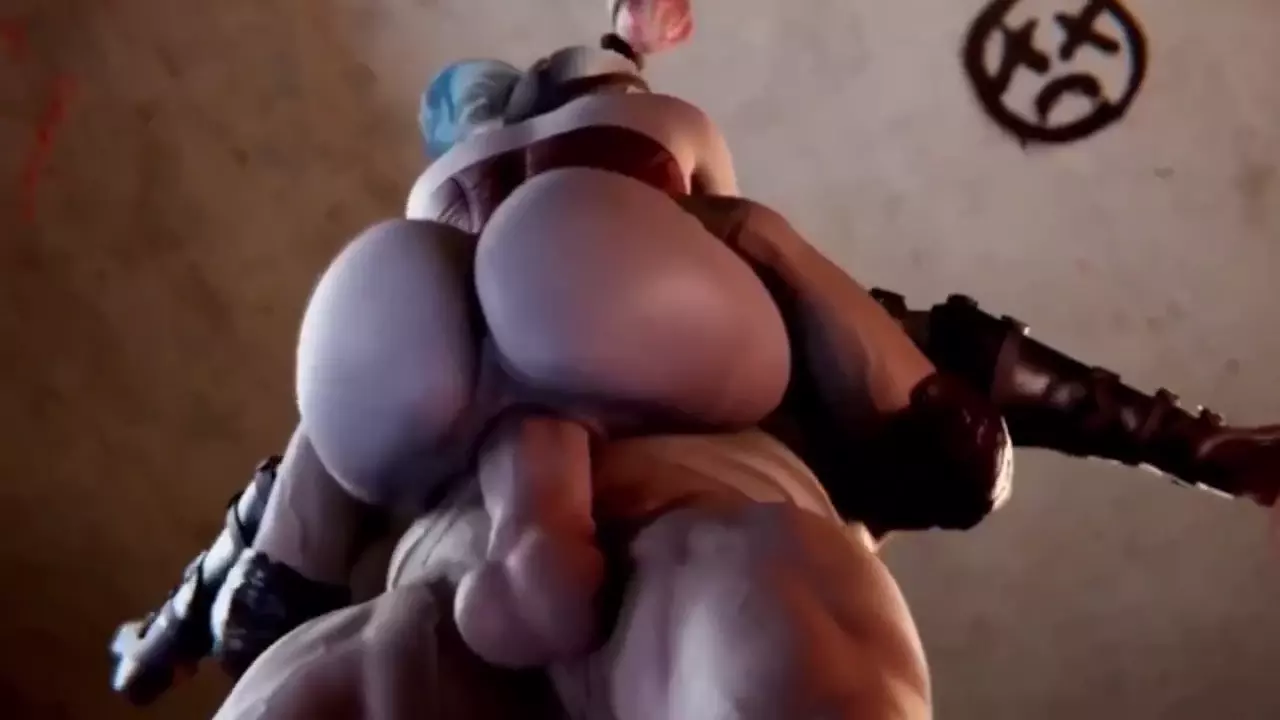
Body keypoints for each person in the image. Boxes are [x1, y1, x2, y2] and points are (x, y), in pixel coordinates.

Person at [110, 0, 1280, 709]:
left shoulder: (437, 277)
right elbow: (978, 372)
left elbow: (255, 556)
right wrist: (1197, 447)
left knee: (279, 634)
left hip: (401, 385)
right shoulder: (711, 269)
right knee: (939, 446)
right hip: (638, 367)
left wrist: (158, 640)